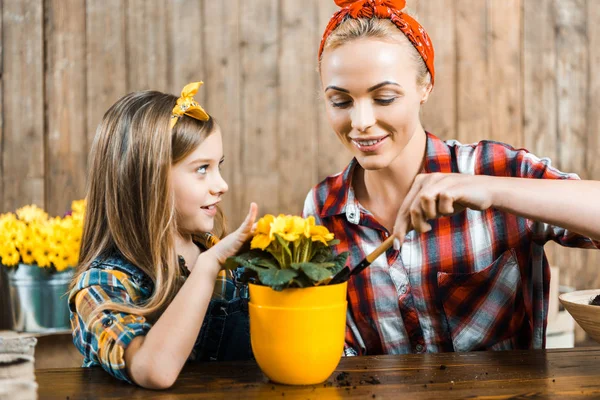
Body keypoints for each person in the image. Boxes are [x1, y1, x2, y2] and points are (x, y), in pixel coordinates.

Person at [303, 0, 600, 356]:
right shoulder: (322, 208)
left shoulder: (496, 169)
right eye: (340, 101)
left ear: (425, 86)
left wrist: (488, 189)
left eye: (384, 97)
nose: (360, 121)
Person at [69, 82, 258, 389]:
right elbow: (154, 370)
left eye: (218, 166)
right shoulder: (101, 288)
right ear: (147, 179)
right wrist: (209, 266)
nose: (221, 184)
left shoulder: (232, 268)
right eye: (202, 169)